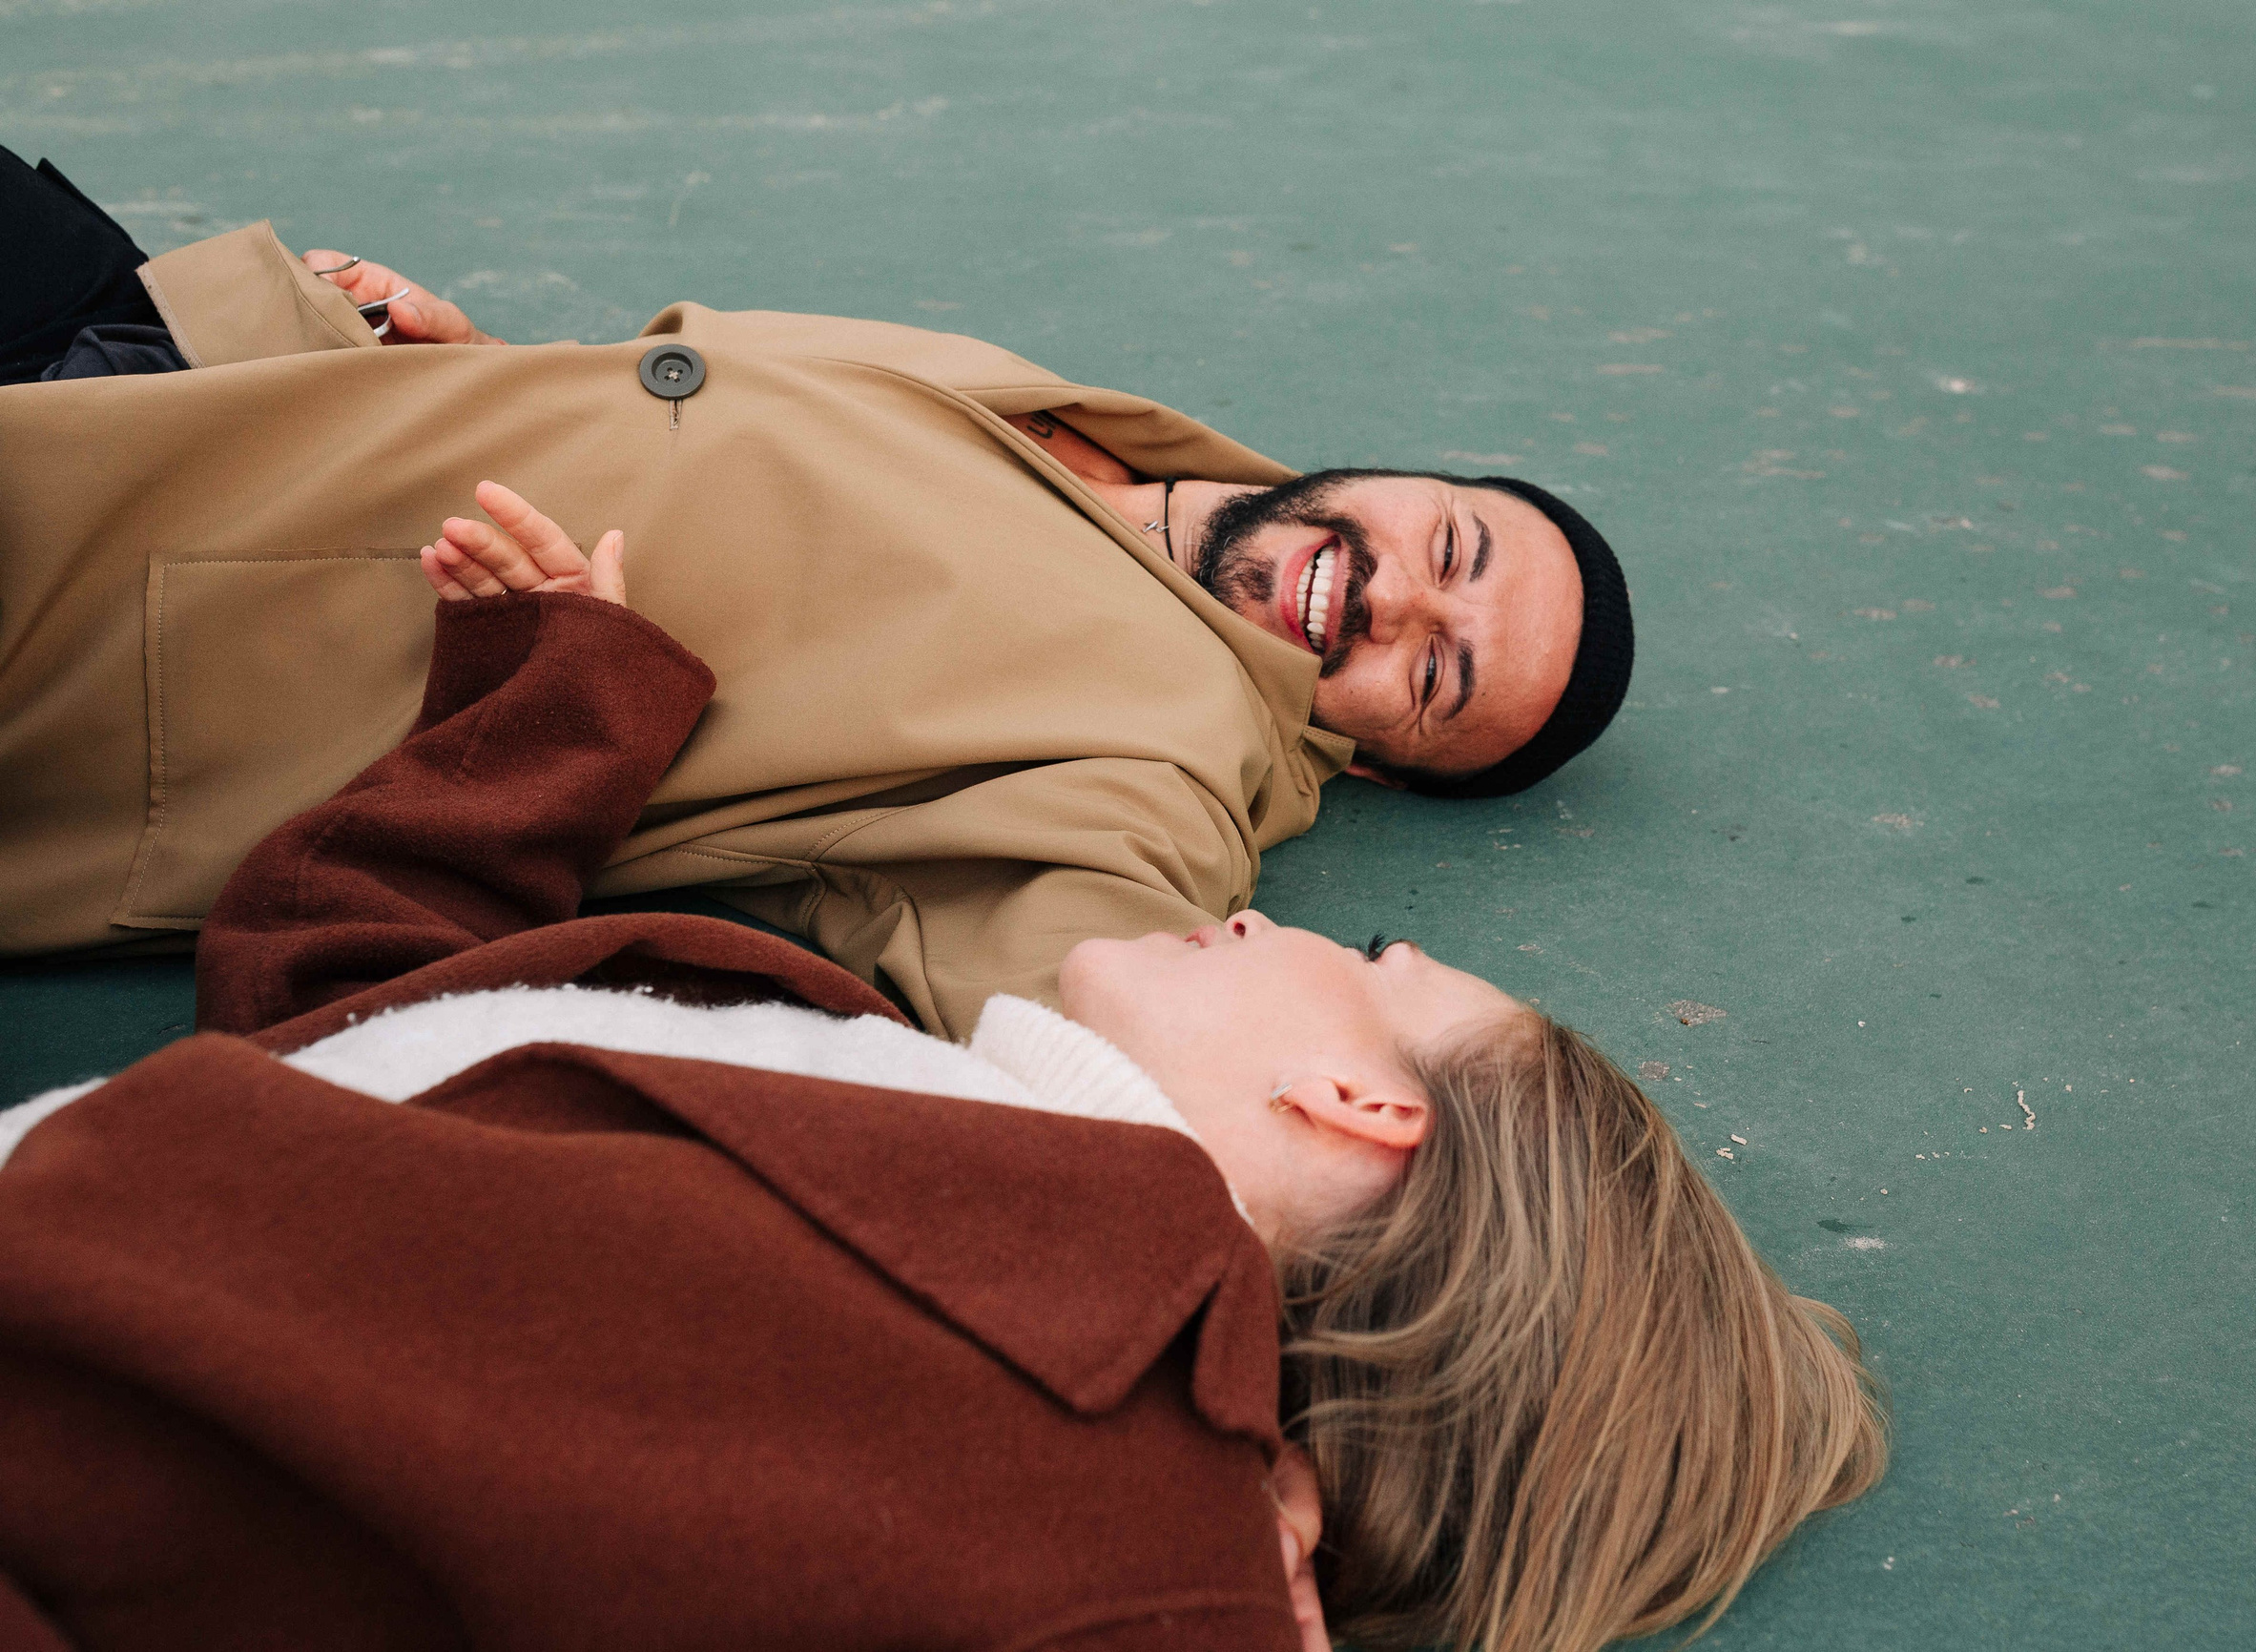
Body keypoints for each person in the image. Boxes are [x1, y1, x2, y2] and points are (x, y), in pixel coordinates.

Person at [0, 503, 1878, 1652]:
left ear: (1359, 1101)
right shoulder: (882, 1092)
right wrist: (550, 709)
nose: (1298, 929)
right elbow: (341, 1063)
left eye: (1381, 967)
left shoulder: (1102, 1474)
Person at [0, 149, 1634, 1041]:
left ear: (1369, 762)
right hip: (189, 366)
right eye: (1454, 550)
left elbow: (1092, 1007)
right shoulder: (1088, 429)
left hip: (111, 640)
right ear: (1416, 484)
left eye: (1435, 682)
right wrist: (492, 369)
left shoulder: (1171, 765)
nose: (1394, 607)